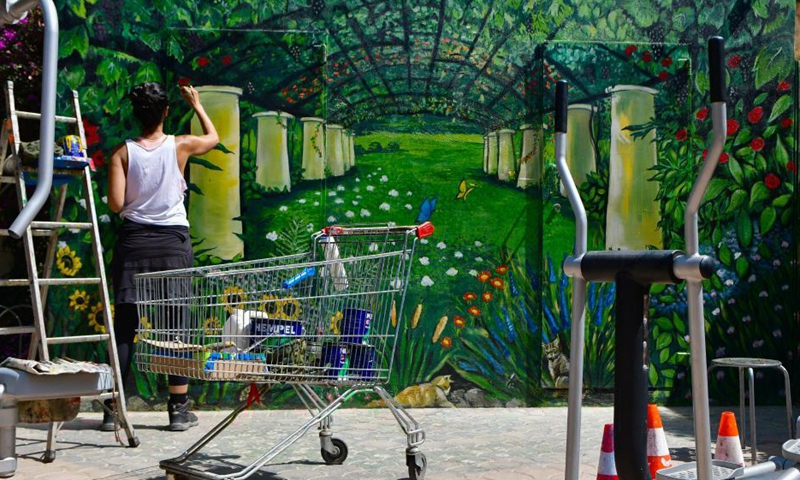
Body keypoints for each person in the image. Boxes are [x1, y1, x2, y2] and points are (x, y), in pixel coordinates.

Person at [103, 82, 218, 431]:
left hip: (134, 244)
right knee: (175, 325)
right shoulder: (180, 145)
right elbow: (212, 138)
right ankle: (178, 410)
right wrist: (197, 105)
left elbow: (116, 204)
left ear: (135, 113)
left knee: (125, 327)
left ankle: (112, 410)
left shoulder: (121, 154)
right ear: (165, 112)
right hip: (172, 245)